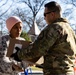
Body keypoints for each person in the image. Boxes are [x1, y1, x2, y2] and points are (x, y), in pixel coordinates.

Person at [11, 1, 76, 75]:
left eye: (45, 14)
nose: (44, 18)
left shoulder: (54, 28)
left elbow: (38, 49)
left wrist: (18, 54)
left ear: (52, 14)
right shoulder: (70, 30)